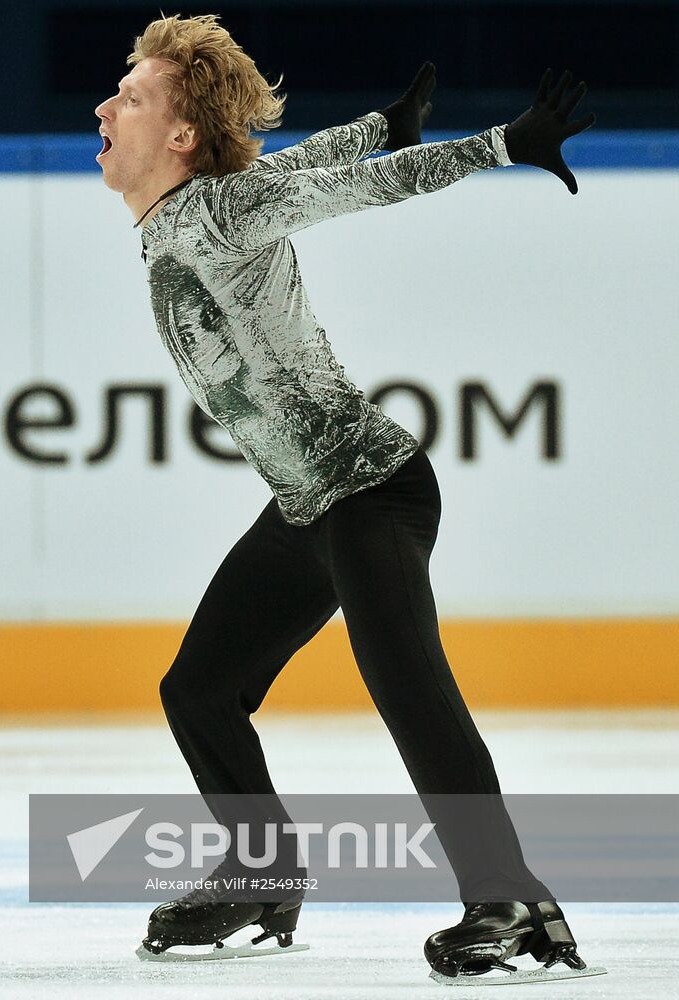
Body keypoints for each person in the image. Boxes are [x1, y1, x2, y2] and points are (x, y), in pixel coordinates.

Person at [95, 13, 601, 982]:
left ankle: (512, 901)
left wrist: (499, 144)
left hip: (369, 491)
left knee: (408, 688)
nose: (104, 104)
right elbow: (293, 171)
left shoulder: (212, 214)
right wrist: (380, 122)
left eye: (132, 94)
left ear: (179, 137)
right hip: (305, 506)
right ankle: (260, 871)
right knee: (197, 690)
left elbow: (344, 190)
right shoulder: (199, 206)